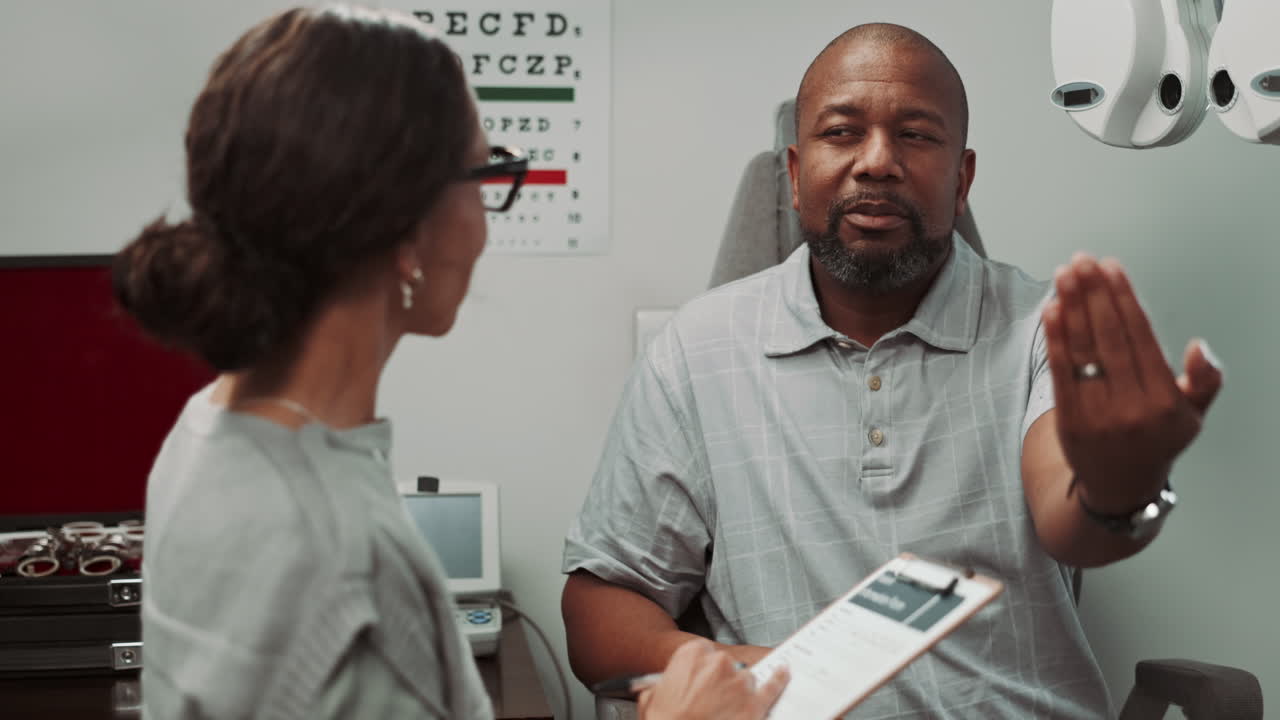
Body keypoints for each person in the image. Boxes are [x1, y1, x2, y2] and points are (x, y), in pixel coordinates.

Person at [114, 5, 785, 719]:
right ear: (406, 228)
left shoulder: (205, 431)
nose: (488, 218)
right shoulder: (348, 559)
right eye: (486, 170)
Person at [561, 22, 1224, 719]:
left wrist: (1119, 489)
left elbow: (1071, 517)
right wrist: (752, 674)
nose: (877, 161)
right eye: (842, 132)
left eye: (916, 134)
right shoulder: (695, 353)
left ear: (961, 179)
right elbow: (602, 606)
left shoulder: (1043, 328)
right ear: (792, 174)